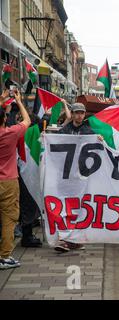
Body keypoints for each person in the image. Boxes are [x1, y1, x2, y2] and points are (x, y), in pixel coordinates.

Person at [54, 103, 94, 253]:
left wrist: (99, 140)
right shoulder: (66, 130)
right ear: (72, 113)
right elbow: (55, 141)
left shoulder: (88, 131)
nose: (79, 116)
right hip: (65, 177)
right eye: (76, 113)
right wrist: (47, 138)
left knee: (78, 207)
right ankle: (65, 239)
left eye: (82, 113)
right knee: (65, 207)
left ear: (84, 115)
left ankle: (74, 239)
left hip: (80, 177)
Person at [0, 90, 31, 270]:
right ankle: (4, 256)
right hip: (8, 181)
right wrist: (19, 102)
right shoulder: (11, 133)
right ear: (5, 118)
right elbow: (26, 120)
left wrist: (2, 99)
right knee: (8, 219)